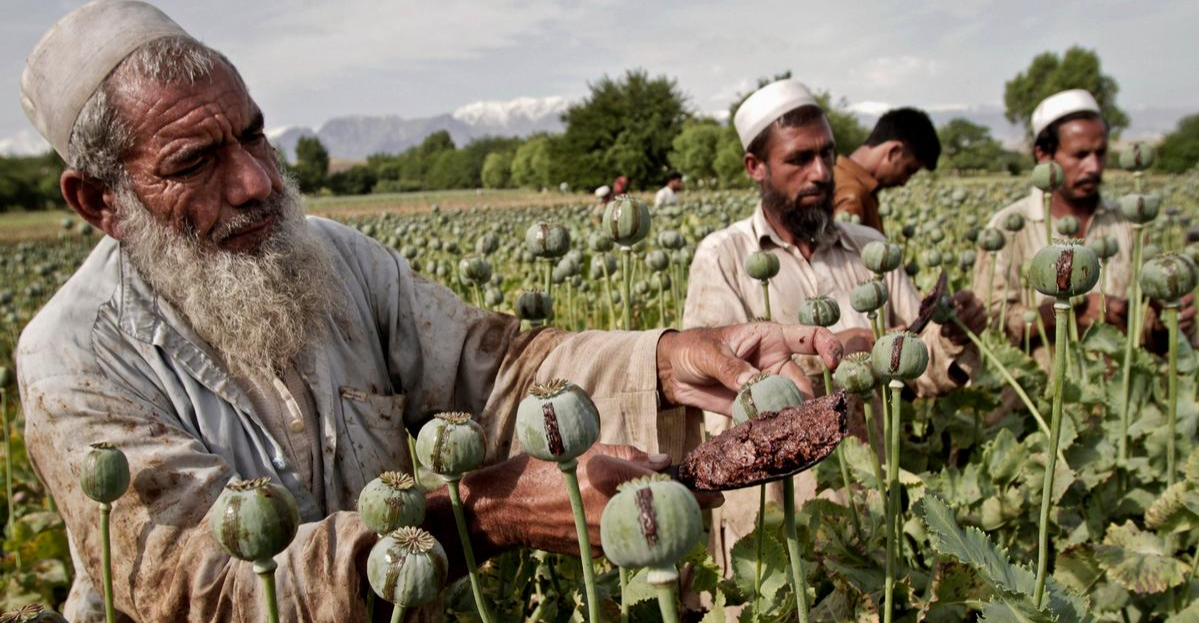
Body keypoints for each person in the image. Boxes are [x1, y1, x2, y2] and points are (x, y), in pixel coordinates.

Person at [15, 4, 844, 622]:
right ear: (101, 201)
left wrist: (666, 357)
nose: (257, 181)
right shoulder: (74, 357)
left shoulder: (333, 256)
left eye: (254, 135)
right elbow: (207, 589)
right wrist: (482, 515)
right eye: (196, 160)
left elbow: (496, 369)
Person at [682, 78, 986, 574]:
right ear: (755, 168)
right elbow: (716, 393)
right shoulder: (724, 257)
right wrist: (832, 354)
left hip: (866, 509)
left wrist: (951, 335)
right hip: (773, 527)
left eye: (828, 154)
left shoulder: (869, 248)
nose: (821, 173)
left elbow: (915, 366)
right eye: (799, 159)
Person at [970, 89, 1195, 350]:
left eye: (1100, 153)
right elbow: (991, 324)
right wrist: (1073, 310)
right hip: (1036, 387)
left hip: (1118, 383)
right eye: (1080, 155)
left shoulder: (1128, 222)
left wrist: (1164, 324)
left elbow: (1145, 324)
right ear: (1043, 155)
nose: (1094, 166)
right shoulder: (1008, 227)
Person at [832, 107, 941, 234]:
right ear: (894, 151)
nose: (904, 182)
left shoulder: (842, 179)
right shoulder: (852, 196)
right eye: (909, 170)